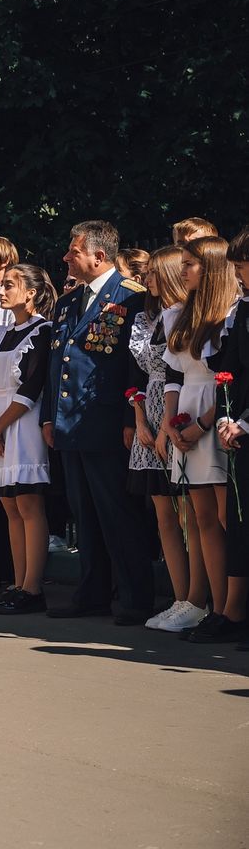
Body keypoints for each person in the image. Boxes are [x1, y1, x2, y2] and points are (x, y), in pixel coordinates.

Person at [42, 220, 154, 625]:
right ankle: (91, 592)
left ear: (98, 256)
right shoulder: (69, 302)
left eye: (73, 252)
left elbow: (134, 365)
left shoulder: (130, 297)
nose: (66, 257)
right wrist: (49, 416)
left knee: (117, 512)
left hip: (108, 422)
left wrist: (130, 416)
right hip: (70, 424)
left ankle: (135, 596)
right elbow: (58, 363)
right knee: (83, 513)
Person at [164, 236, 244, 643]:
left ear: (211, 269)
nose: (184, 270)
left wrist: (204, 423)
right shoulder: (185, 312)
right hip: (190, 414)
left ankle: (235, 608)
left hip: (220, 414)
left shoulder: (232, 314)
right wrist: (170, 423)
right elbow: (174, 373)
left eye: (191, 264)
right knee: (204, 519)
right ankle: (216, 606)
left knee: (230, 517)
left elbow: (231, 378)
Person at [130, 246, 205, 632]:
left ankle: (197, 598)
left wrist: (163, 427)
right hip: (151, 412)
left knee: (189, 514)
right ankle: (179, 598)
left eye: (156, 274)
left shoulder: (188, 316)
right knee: (164, 515)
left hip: (177, 414)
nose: (148, 280)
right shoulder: (149, 317)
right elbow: (135, 375)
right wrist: (141, 419)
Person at [0, 266, 55, 615]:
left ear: (31, 293)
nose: (1, 290)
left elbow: (31, 388)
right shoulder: (0, 333)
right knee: (9, 505)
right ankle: (18, 582)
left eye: (10, 285)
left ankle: (32, 586)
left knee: (28, 504)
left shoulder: (42, 331)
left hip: (22, 422)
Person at [211, 227, 249, 650]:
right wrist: (226, 417)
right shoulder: (243, 310)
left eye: (241, 266)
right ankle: (234, 610)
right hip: (237, 426)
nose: (238, 275)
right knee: (239, 522)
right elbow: (232, 370)